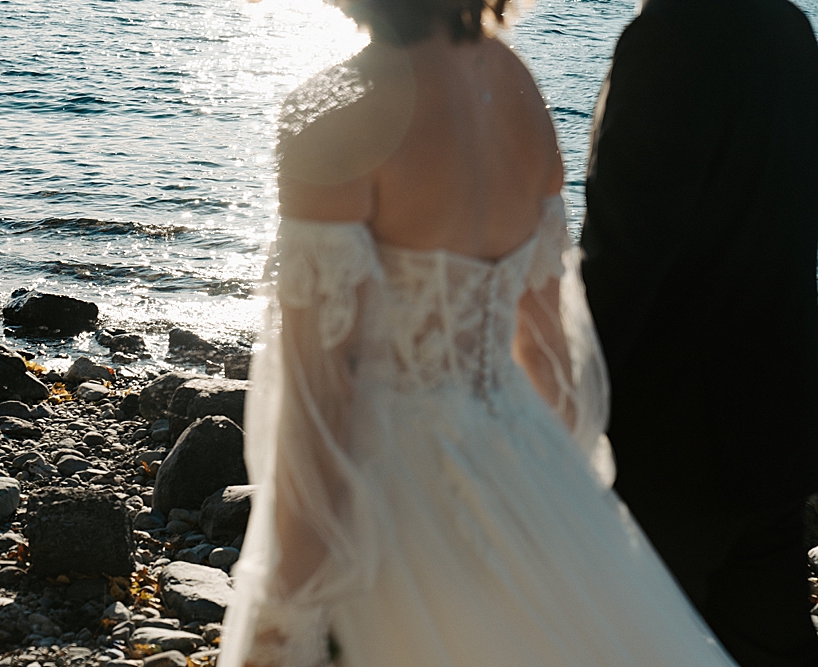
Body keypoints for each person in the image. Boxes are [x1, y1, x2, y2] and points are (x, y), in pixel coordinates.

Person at [219, 0, 739, 665]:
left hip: (401, 492)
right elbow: (549, 355)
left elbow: (324, 397)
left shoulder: (334, 111)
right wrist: (557, 505)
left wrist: (287, 604)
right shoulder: (520, 87)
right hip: (526, 451)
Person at [581, 0, 818, 664]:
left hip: (671, 444)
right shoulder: (789, 29)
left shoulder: (666, 39)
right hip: (777, 425)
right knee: (769, 644)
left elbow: (622, 259)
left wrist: (571, 409)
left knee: (641, 643)